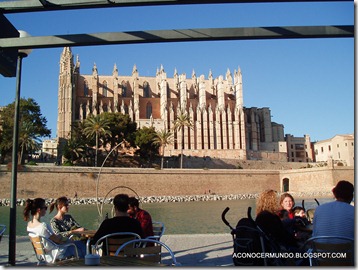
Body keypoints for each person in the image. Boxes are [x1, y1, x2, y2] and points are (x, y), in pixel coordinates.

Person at [24, 198, 86, 263]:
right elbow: (57, 240)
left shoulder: (29, 225)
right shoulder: (43, 226)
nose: (46, 209)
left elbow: (52, 238)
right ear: (39, 210)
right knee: (80, 245)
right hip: (55, 254)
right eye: (45, 207)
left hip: (44, 255)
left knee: (77, 244)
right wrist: (66, 237)